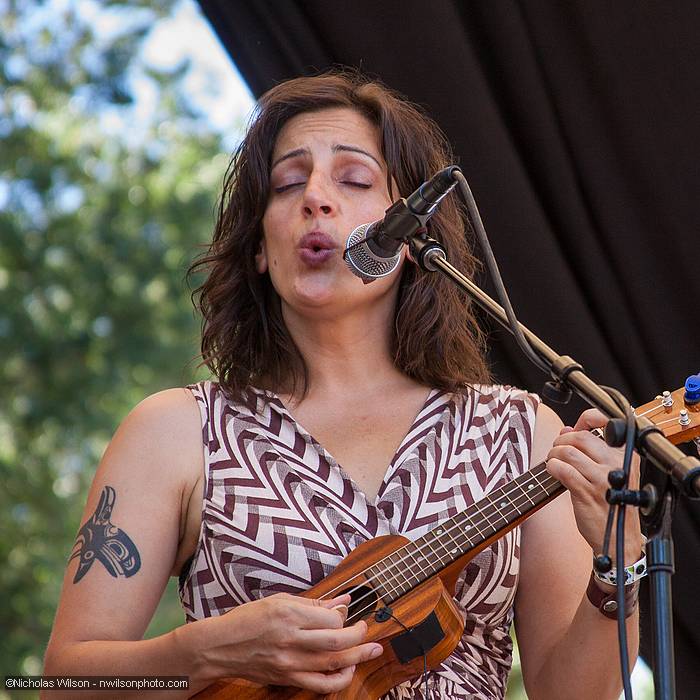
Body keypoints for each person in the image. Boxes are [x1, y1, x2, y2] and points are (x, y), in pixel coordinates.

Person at [43, 70, 643, 699]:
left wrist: (619, 567)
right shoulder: (180, 431)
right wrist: (203, 651)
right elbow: (63, 683)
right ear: (259, 245)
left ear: (411, 239)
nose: (316, 197)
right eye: (286, 184)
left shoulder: (519, 435)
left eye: (354, 179)